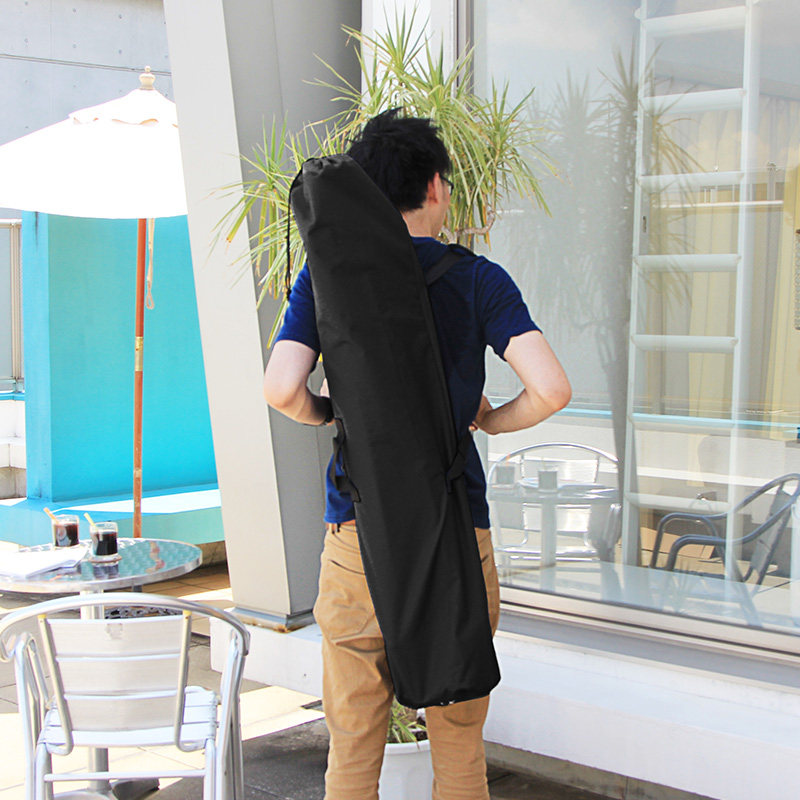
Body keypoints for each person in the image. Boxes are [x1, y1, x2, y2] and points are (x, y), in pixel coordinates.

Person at [263, 109, 571, 800]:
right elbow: (551, 389)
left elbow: (281, 389)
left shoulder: (327, 276)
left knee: (353, 744)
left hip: (358, 537)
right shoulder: (479, 278)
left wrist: (330, 413)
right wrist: (490, 421)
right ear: (433, 186)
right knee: (458, 742)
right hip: (455, 535)